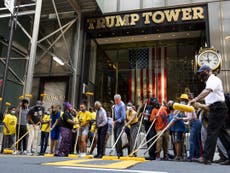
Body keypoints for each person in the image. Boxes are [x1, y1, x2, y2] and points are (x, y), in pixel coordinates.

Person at [189, 65, 230, 165]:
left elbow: (207, 92)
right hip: (216, 109)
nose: (201, 75)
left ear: (208, 71)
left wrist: (196, 99)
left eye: (202, 72)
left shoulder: (213, 79)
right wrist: (198, 105)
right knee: (222, 134)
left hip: (218, 109)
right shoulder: (209, 82)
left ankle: (206, 157)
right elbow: (209, 106)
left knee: (211, 132)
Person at [180, 93, 202, 161]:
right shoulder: (188, 106)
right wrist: (185, 122)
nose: (182, 102)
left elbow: (189, 118)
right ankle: (197, 155)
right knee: (195, 140)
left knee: (192, 140)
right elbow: (189, 119)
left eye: (184, 100)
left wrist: (180, 119)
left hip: (195, 123)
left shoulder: (189, 107)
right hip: (194, 123)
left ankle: (191, 156)